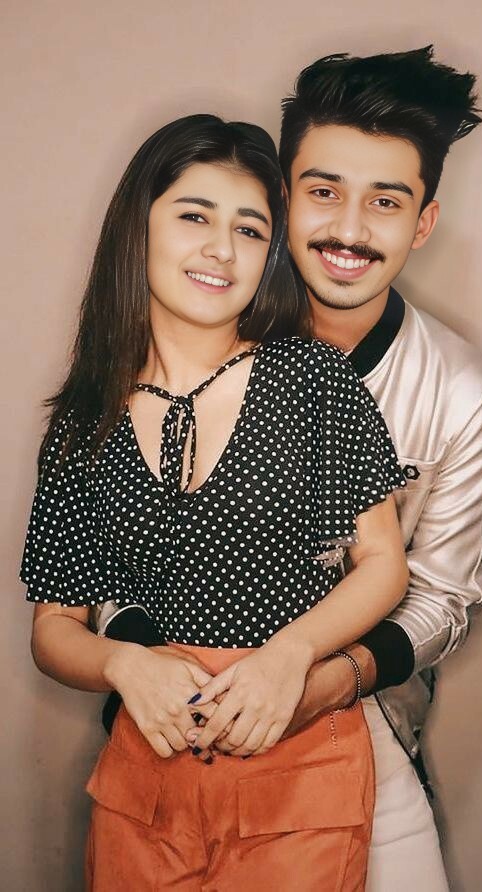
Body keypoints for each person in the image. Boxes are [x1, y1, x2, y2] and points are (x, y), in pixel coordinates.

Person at [21, 114, 409, 890]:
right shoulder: (85, 419)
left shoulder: (311, 380)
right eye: (194, 216)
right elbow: (54, 627)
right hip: (147, 778)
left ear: (269, 255)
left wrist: (290, 655)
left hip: (299, 771)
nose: (222, 250)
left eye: (250, 229)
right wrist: (122, 663)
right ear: (139, 226)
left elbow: (381, 564)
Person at [268, 46, 482, 891]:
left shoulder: (462, 388)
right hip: (179, 741)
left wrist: (325, 681)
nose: (348, 230)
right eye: (323, 191)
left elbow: (444, 595)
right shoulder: (196, 346)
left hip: (371, 747)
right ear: (281, 195)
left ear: (422, 222)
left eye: (384, 201)